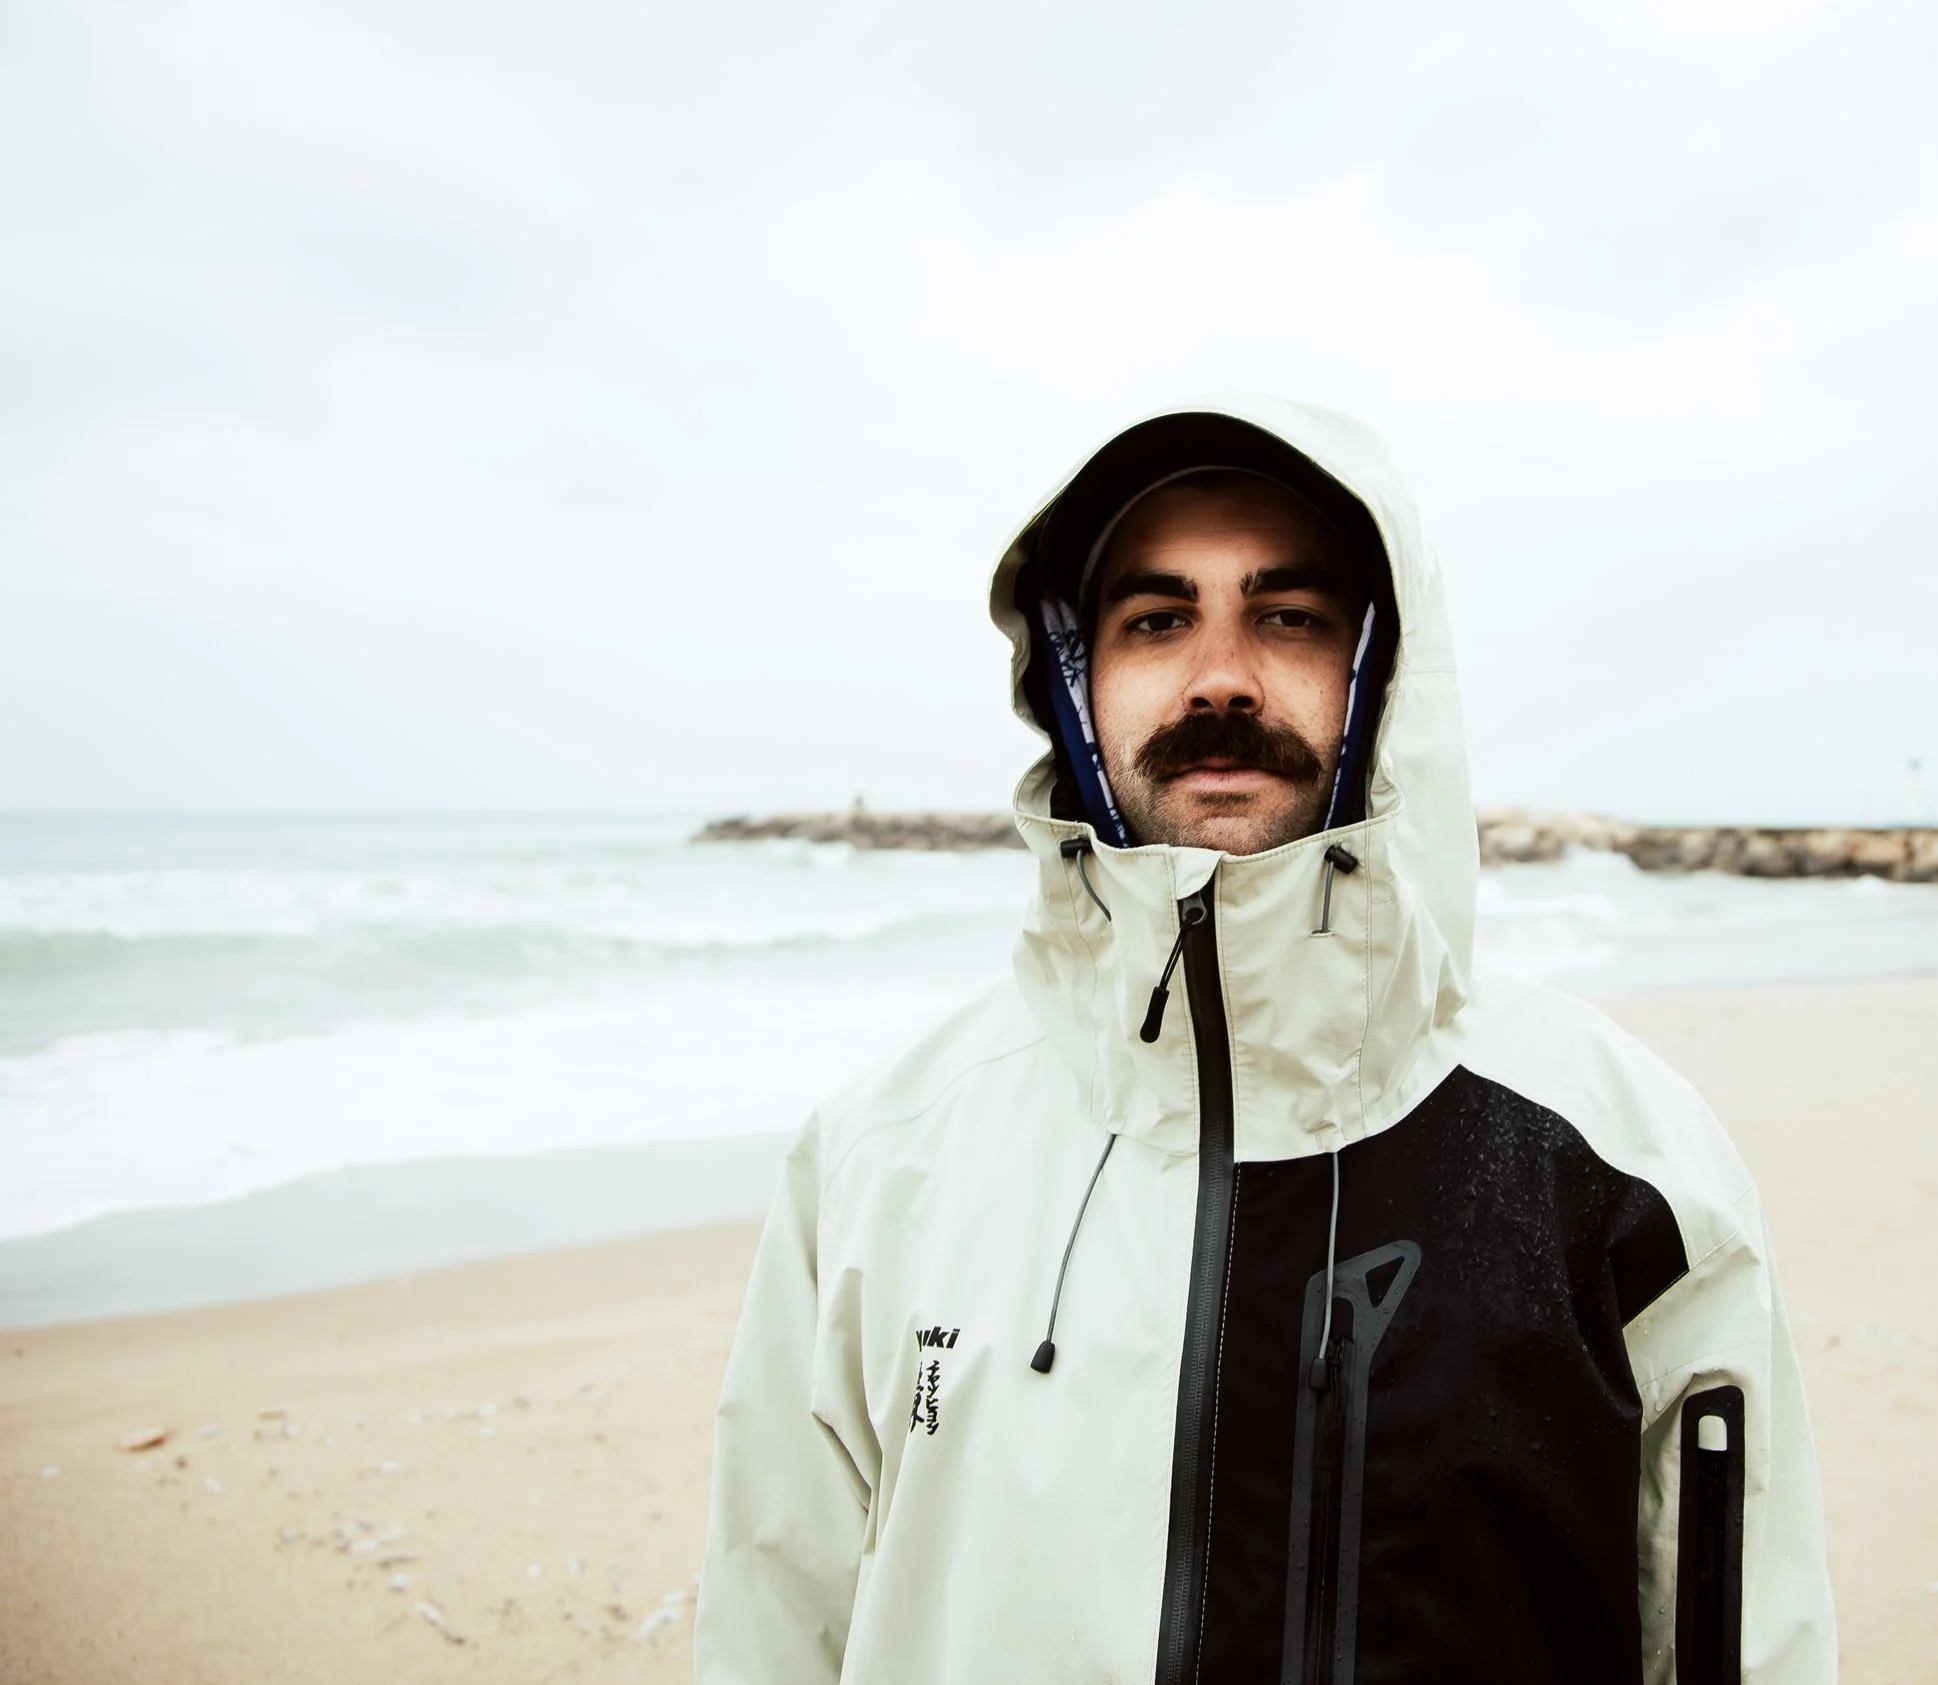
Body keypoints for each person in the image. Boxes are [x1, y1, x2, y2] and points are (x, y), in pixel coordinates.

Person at [695, 398, 1836, 1684]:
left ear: (1382, 674)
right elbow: (772, 1622)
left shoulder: (1627, 1160)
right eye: (1157, 618)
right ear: (1076, 679)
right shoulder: (880, 1157)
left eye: (1287, 616)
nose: (1221, 674)